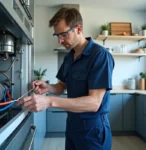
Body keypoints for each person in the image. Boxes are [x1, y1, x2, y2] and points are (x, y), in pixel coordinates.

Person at [17, 7, 115, 150]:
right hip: (72, 126)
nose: (59, 40)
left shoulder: (100, 56)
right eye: (56, 35)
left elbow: (94, 103)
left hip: (93, 130)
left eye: (63, 34)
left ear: (78, 29)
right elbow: (61, 86)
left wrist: (49, 101)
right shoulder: (69, 57)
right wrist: (48, 87)